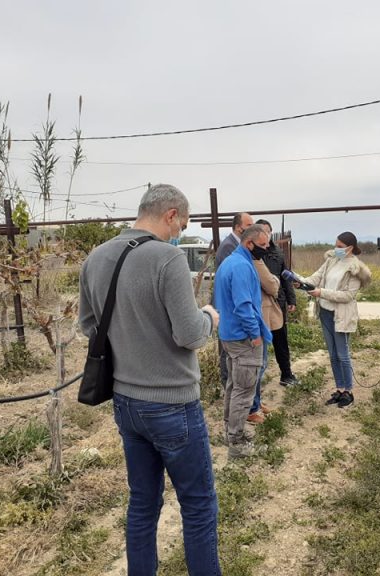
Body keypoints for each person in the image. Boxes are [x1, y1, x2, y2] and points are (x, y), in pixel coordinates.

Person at [78, 183, 221, 576]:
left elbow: (89, 325)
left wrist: (131, 339)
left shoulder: (97, 256)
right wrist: (209, 316)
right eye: (183, 224)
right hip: (173, 403)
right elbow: (189, 335)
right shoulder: (167, 259)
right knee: (198, 506)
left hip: (125, 400)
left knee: (142, 503)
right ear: (170, 214)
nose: (180, 233)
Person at [213, 224, 273, 459]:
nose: (266, 249)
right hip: (243, 336)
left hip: (229, 334)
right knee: (244, 390)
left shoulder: (231, 261)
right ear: (249, 244)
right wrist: (255, 336)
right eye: (263, 245)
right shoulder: (240, 266)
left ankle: (231, 429)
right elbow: (243, 305)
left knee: (233, 385)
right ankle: (236, 442)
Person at [300, 232, 371, 409]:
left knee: (342, 354)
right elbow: (317, 276)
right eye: (335, 245)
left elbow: (348, 295)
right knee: (332, 354)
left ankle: (348, 391)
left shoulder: (356, 269)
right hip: (325, 311)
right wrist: (301, 282)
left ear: (350, 248)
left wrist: (321, 293)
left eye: (340, 246)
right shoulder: (332, 260)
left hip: (341, 315)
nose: (336, 249)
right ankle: (339, 389)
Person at [255, 219, 300, 387]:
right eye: (261, 231)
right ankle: (257, 380)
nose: (265, 234)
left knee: (281, 341)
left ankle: (286, 374)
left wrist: (291, 299)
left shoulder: (277, 253)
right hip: (260, 304)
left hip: (278, 302)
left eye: (267, 231)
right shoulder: (254, 254)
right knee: (259, 343)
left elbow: (286, 276)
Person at [215, 212, 254, 387]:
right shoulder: (228, 247)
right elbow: (231, 283)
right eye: (249, 225)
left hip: (234, 308)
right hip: (229, 309)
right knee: (228, 352)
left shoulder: (237, 245)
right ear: (239, 227)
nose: (251, 229)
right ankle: (228, 387)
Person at [247, 236, 283, 424]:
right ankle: (251, 408)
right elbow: (271, 285)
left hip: (259, 319)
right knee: (257, 366)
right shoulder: (253, 260)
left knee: (259, 365)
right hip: (258, 320)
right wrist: (275, 279)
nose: (267, 246)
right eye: (262, 243)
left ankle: (256, 403)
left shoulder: (252, 258)